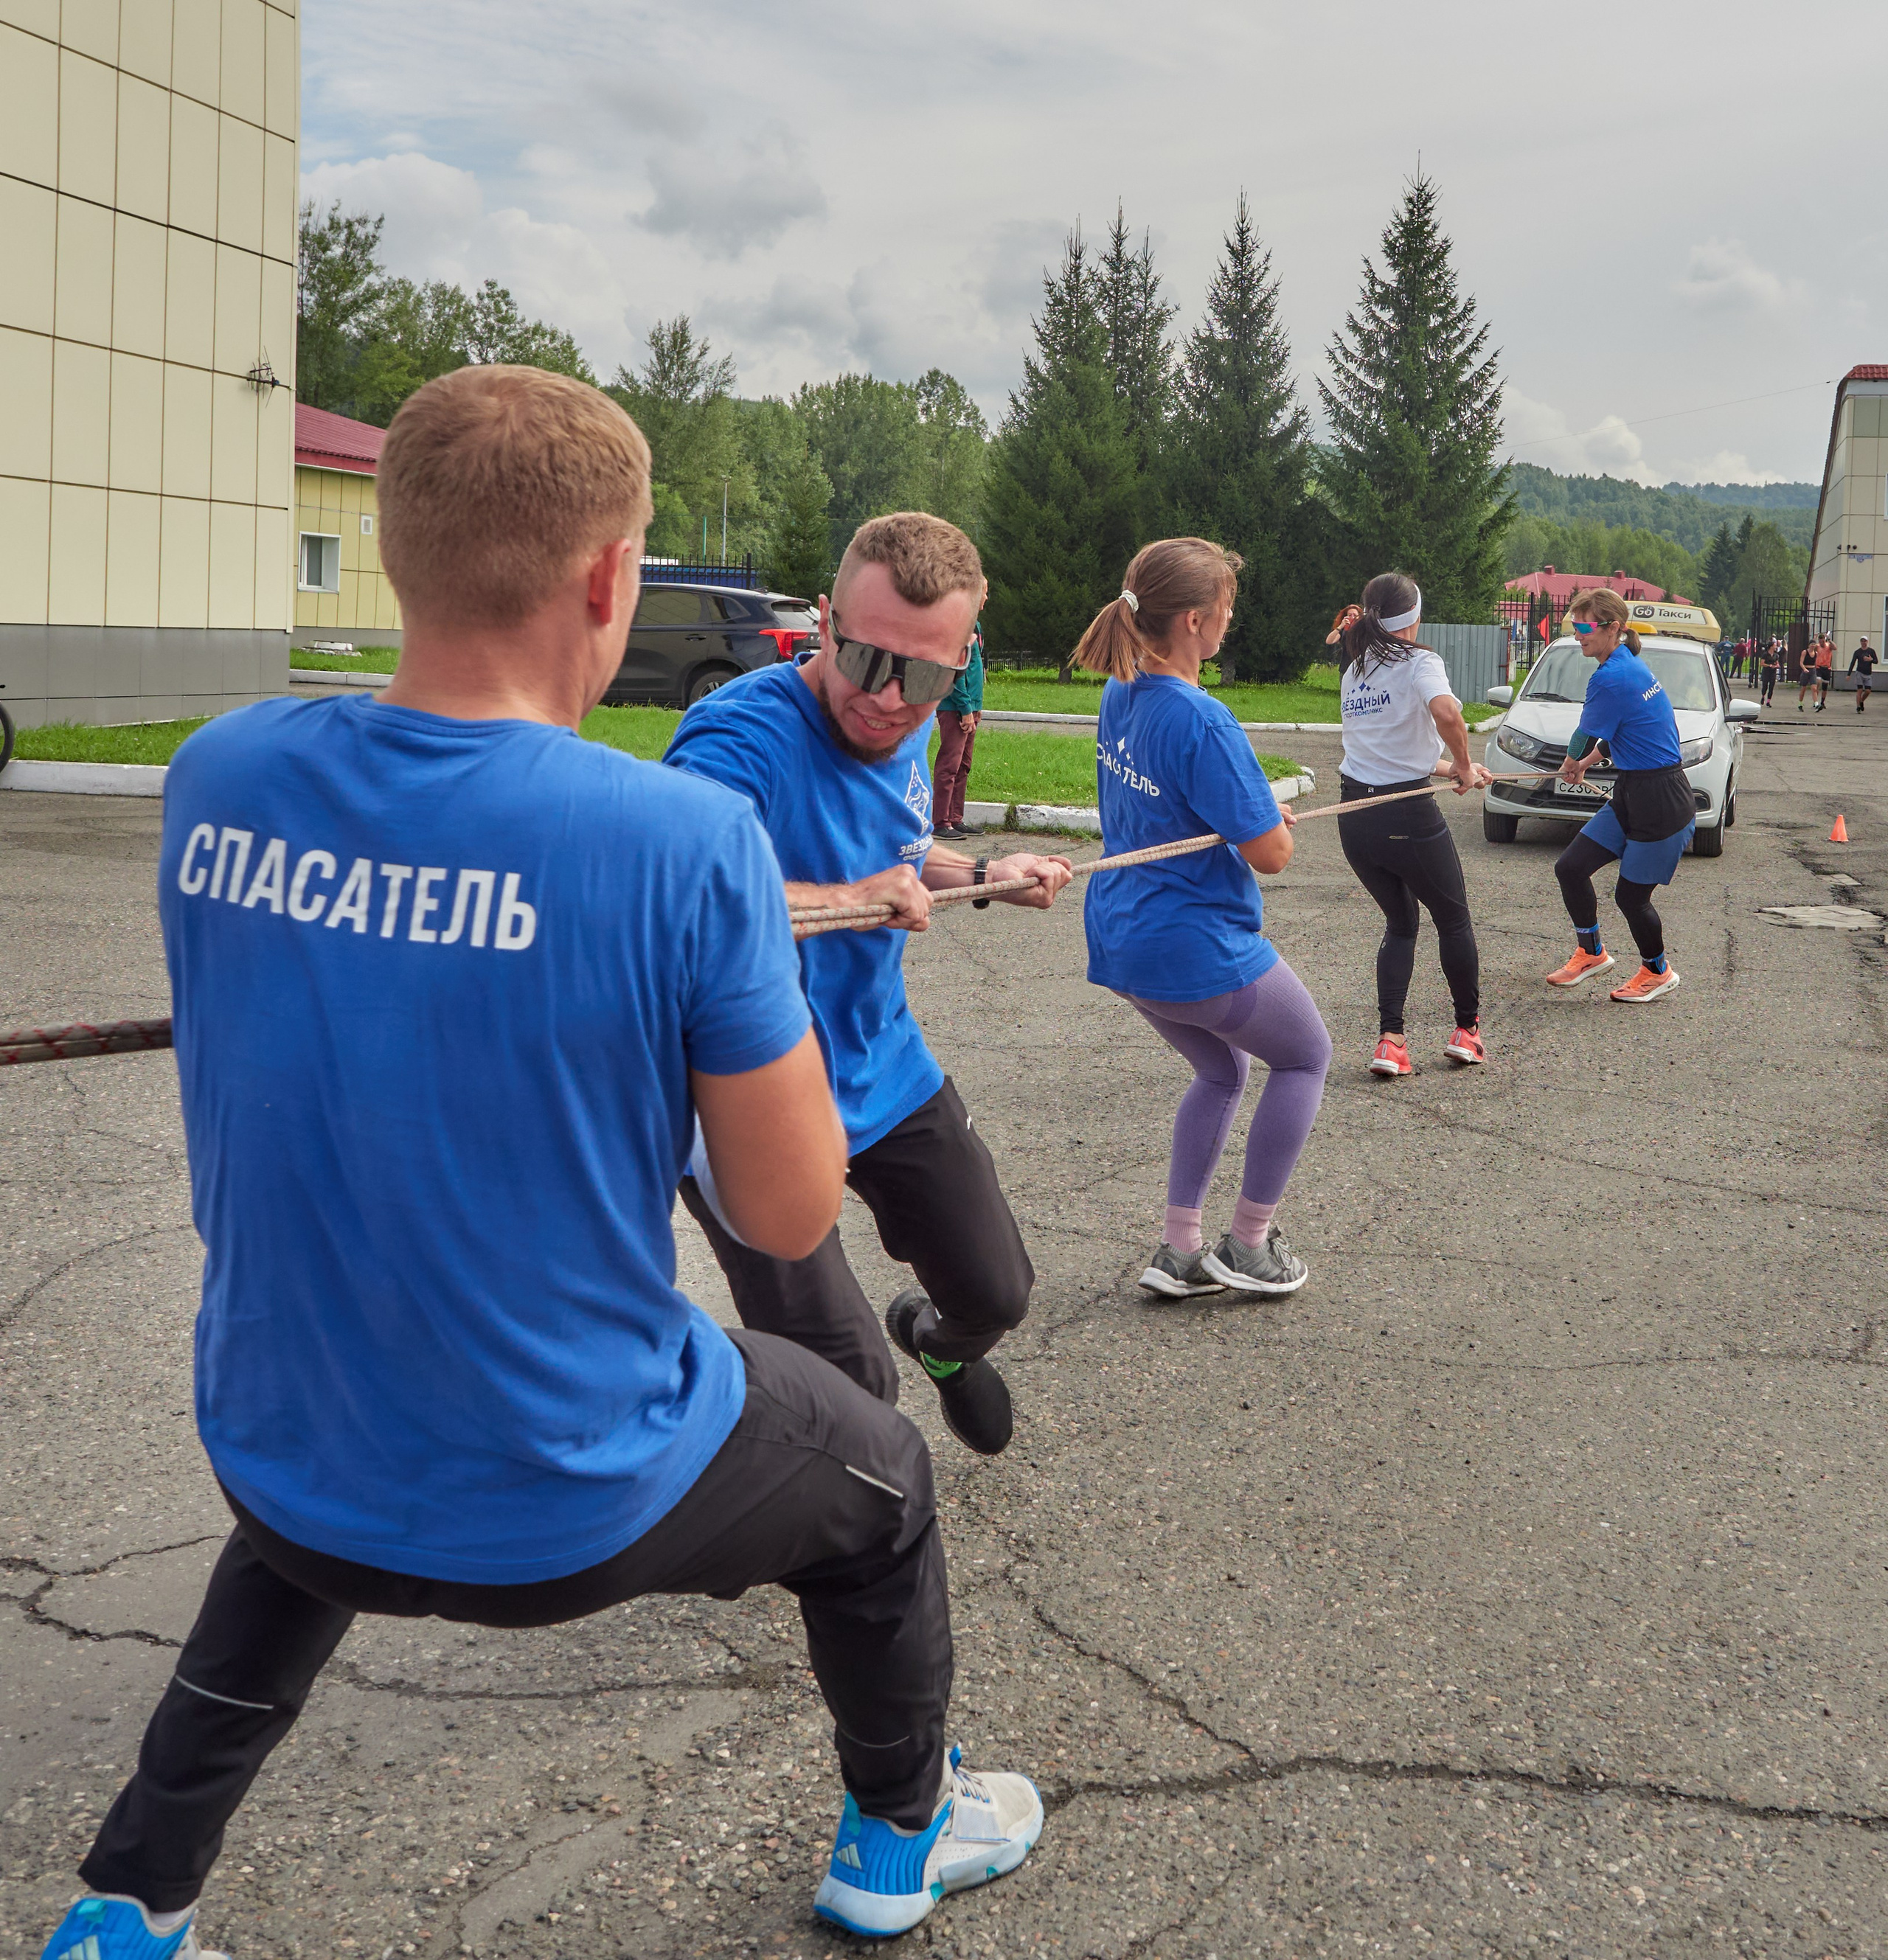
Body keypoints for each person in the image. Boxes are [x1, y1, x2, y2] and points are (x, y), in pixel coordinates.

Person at [38, 370, 1042, 1960]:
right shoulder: (676, 839)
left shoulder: (221, 775)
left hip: (282, 1441)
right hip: (566, 1492)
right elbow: (780, 1207)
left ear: (393, 551)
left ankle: (129, 1907)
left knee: (332, 1467)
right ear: (606, 579)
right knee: (881, 1481)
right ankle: (897, 1843)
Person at [664, 513, 1073, 1458]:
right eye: (868, 662)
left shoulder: (907, 721)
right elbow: (681, 898)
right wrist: (853, 896)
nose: (891, 701)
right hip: (744, 1100)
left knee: (994, 1291)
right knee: (850, 1392)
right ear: (824, 622)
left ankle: (937, 1348)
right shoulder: (738, 737)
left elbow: (900, 848)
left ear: (961, 659)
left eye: (926, 677)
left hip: (879, 1063)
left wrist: (979, 877)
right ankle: (768, 1482)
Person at [1074, 538, 1333, 1301]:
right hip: (1188, 943)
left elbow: (1193, 808)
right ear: (1193, 620)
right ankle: (1249, 1247)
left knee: (1221, 1070)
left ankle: (1180, 1251)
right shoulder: (1203, 718)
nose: (1230, 621)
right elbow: (1272, 854)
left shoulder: (1120, 691)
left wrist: (1250, 811)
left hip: (1122, 939)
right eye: (1225, 610)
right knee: (1306, 1056)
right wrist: (1266, 821)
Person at [1328, 571, 1495, 1077]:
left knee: (1401, 924)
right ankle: (1467, 1031)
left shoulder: (1356, 670)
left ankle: (1391, 1042)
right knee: (1454, 920)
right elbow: (1446, 712)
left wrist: (1458, 769)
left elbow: (1392, 753)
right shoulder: (1421, 661)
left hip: (1356, 817)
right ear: (1414, 619)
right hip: (1407, 816)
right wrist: (1464, 764)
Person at [1546, 587, 1694, 1004]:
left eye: (1585, 626)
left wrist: (1573, 760)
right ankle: (1592, 953)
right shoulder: (1627, 662)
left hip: (1662, 801)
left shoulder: (1611, 675)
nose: (1578, 634)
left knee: (1630, 897)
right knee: (1571, 868)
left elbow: (1584, 733)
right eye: (1574, 626)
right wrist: (1588, 762)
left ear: (1613, 628)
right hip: (1632, 790)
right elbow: (1619, 733)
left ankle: (1657, 970)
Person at [933, 611, 986, 838]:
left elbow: (974, 667)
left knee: (964, 765)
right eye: (984, 591)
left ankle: (955, 818)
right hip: (954, 706)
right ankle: (940, 822)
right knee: (950, 765)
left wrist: (976, 706)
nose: (986, 596)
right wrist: (965, 709)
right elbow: (955, 672)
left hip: (969, 706)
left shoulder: (975, 625)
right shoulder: (958, 623)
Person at [1851, 634, 1878, 712]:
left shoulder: (1871, 651)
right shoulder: (1857, 652)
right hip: (1859, 673)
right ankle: (1858, 706)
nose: (1863, 643)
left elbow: (1876, 661)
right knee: (1859, 690)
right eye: (1862, 641)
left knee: (1868, 691)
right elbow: (1853, 663)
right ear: (1860, 642)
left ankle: (1861, 701)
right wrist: (1849, 674)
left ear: (1867, 642)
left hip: (1868, 674)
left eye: (1865, 641)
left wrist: (1871, 660)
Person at [1815, 634, 1836, 710]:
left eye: (1823, 641)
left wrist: (1829, 640)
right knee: (1818, 681)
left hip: (1827, 668)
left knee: (1825, 687)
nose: (1822, 643)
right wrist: (1814, 638)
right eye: (1820, 642)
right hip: (1819, 667)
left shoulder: (1829, 646)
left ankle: (1822, 702)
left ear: (1825, 640)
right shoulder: (1817, 647)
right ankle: (1815, 702)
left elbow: (1835, 647)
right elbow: (1811, 648)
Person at [1758, 638, 1780, 709]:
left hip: (1773, 673)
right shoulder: (1765, 654)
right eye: (1775, 645)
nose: (1776, 647)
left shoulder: (1776, 655)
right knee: (1765, 686)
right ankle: (1763, 696)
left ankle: (1768, 701)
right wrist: (1769, 665)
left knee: (1771, 687)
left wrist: (1776, 666)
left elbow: (1778, 664)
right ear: (1771, 647)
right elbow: (1762, 664)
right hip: (1766, 672)